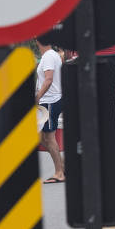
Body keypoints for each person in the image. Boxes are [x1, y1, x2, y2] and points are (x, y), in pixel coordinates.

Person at [35, 39, 65, 184]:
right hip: (47, 101)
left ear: (36, 39)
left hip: (50, 100)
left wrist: (37, 97)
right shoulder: (52, 55)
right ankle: (63, 166)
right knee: (41, 138)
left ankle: (59, 172)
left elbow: (48, 80)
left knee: (48, 137)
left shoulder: (48, 56)